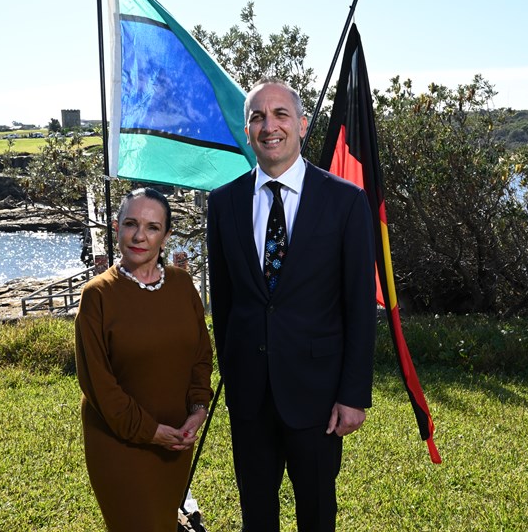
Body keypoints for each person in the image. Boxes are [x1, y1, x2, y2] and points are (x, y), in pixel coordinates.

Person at [207, 77, 377, 531]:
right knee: (256, 518)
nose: (269, 126)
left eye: (280, 114)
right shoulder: (223, 204)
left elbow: (360, 307)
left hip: (318, 398)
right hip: (249, 397)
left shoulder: (345, 201)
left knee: (317, 514)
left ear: (302, 125)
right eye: (257, 117)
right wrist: (233, 374)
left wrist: (353, 395)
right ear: (247, 131)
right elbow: (223, 304)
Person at [75, 187, 213, 532]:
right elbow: (99, 385)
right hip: (120, 443)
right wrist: (151, 432)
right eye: (131, 224)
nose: (140, 236)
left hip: (176, 439)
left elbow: (200, 354)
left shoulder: (182, 285)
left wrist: (198, 410)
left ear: (166, 236)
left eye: (152, 227)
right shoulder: (97, 296)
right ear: (115, 227)